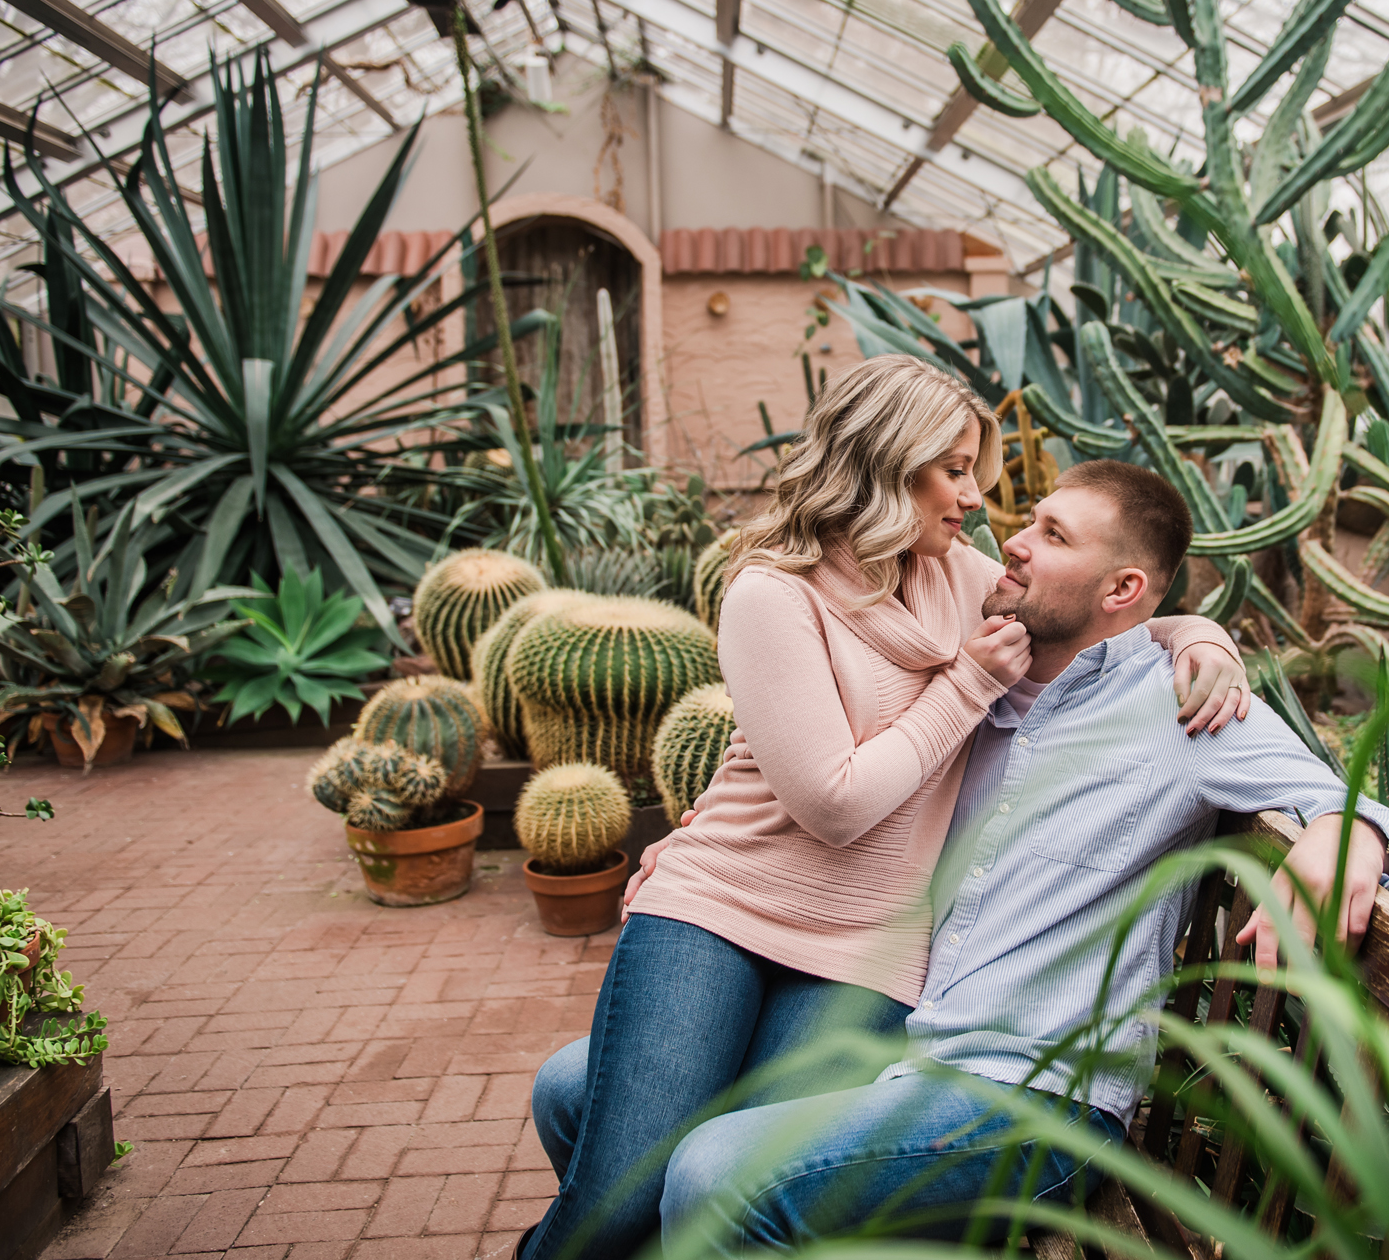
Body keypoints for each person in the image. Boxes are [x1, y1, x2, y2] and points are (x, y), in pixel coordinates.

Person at [520, 358, 1251, 1259]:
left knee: (701, 1171)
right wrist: (968, 683)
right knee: (616, 1205)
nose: (976, 499)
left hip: (865, 952)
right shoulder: (771, 594)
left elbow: (1106, 601)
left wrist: (1203, 633)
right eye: (952, 469)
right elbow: (836, 803)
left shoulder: (958, 575)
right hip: (724, 913)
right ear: (884, 464)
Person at [642, 460, 1389, 1253]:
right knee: (579, 1091)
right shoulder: (976, 684)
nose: (1016, 542)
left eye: (1052, 534)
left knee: (717, 1174)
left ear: (1122, 590)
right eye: (1030, 520)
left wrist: (1349, 832)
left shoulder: (1183, 707)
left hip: (1032, 1097)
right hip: (903, 1045)